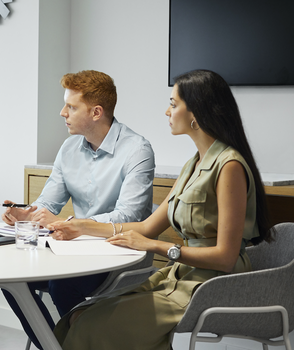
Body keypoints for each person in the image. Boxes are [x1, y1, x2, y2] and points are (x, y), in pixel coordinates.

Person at [48, 69, 273, 350]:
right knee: (76, 316)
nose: (167, 111)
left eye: (174, 104)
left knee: (92, 325)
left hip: (211, 285)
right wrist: (81, 226)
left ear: (197, 113)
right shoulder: (192, 165)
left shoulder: (229, 166)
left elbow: (226, 258)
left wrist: (157, 247)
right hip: (178, 276)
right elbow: (145, 227)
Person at [0, 70, 155, 349]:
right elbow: (49, 203)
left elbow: (128, 216)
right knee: (11, 278)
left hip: (119, 251)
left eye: (71, 107)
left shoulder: (137, 150)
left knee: (63, 284)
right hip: (74, 249)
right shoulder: (69, 148)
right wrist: (27, 214)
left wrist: (72, 223)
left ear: (96, 112)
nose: (62, 113)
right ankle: (56, 345)